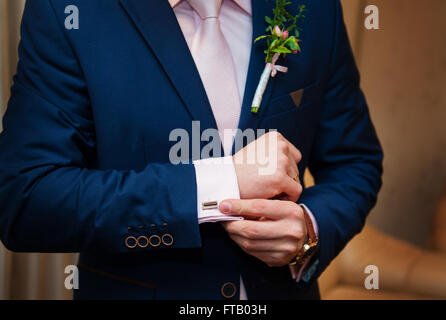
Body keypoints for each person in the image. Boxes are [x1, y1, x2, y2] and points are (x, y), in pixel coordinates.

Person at [0, 0, 383, 299]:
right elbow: (28, 198)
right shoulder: (71, 12)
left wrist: (309, 232)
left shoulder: (314, 9)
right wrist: (219, 186)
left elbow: (355, 163)